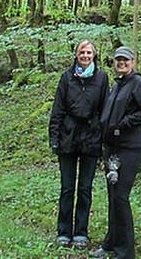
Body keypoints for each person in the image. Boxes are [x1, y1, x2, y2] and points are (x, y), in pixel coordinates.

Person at [91, 46, 141, 259]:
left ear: (132, 62)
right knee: (112, 196)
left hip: (129, 148)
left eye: (125, 60)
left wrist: (125, 123)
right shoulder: (118, 84)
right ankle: (110, 243)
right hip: (112, 148)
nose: (122, 63)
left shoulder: (137, 82)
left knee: (120, 197)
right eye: (118, 60)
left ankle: (126, 252)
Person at [49, 40, 109, 249]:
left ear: (94, 55)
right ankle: (64, 231)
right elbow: (57, 110)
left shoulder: (101, 78)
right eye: (82, 52)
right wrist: (54, 138)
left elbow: (105, 112)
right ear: (76, 55)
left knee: (85, 188)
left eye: (89, 52)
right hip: (68, 138)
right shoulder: (67, 78)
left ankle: (81, 232)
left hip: (91, 139)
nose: (85, 55)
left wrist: (104, 140)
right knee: (67, 188)